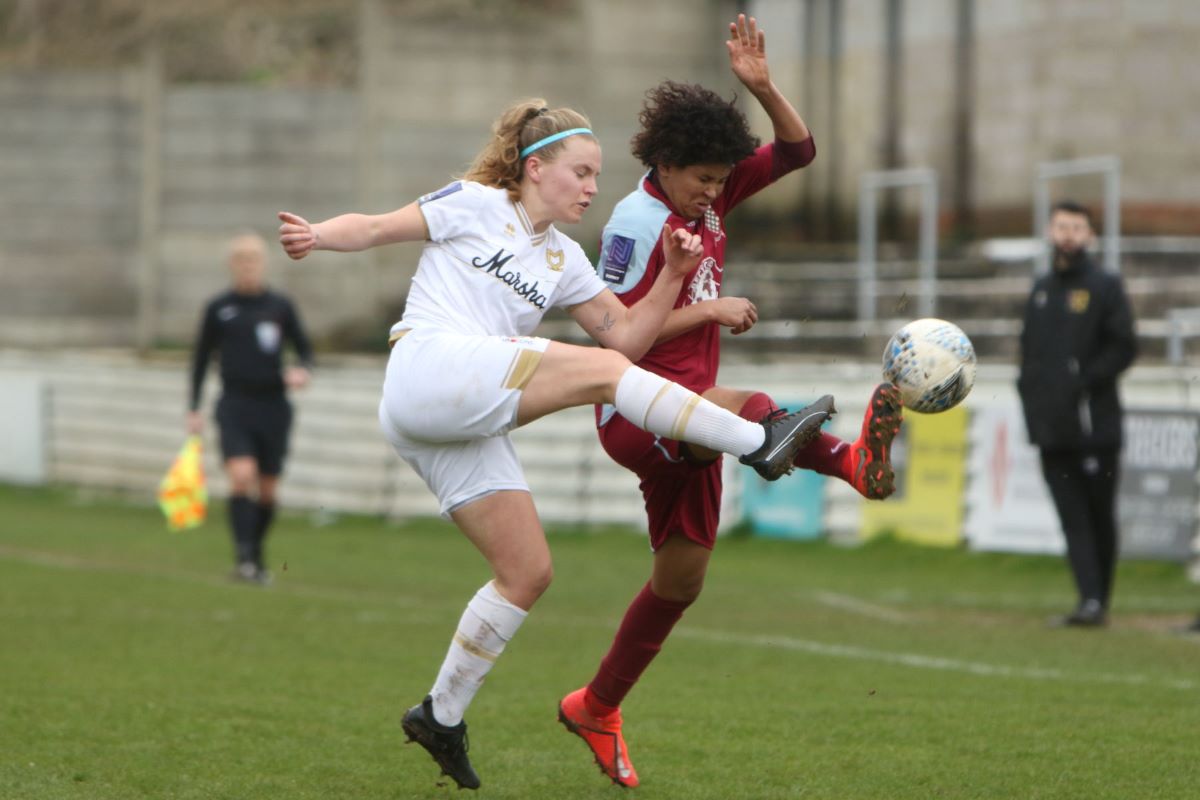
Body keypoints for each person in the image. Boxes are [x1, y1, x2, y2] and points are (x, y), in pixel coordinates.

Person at [276, 98, 837, 791]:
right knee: (607, 377)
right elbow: (375, 226)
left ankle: (440, 715)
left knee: (528, 573)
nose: (591, 188)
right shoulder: (476, 202)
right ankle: (757, 439)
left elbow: (626, 337)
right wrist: (317, 237)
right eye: (580, 172)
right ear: (535, 168)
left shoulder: (566, 258)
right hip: (430, 368)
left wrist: (667, 275)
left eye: (597, 176)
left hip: (458, 417)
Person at [555, 15, 904, 788]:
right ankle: (843, 460)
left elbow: (799, 150)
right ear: (668, 164)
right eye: (705, 180)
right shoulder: (633, 224)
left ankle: (595, 706)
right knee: (745, 407)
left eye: (722, 180)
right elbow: (618, 347)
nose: (717, 193)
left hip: (693, 417)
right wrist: (704, 307)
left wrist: (764, 88)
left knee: (681, 583)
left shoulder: (706, 197)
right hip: (635, 410)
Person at [1017, 200, 1137, 628]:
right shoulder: (1042, 289)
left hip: (1095, 428)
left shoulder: (1105, 286)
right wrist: (1034, 409)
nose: (1068, 234)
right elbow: (1028, 357)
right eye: (1062, 226)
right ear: (1051, 232)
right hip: (1052, 430)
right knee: (1071, 518)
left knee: (1098, 515)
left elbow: (1124, 346)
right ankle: (1089, 600)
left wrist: (1083, 382)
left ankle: (1097, 599)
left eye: (1077, 227)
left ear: (1089, 235)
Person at [188, 233, 313, 585]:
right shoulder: (219, 308)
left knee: (269, 489)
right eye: (241, 259)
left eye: (253, 259)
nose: (247, 266)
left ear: (263, 264)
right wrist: (193, 407)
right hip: (235, 404)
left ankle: (256, 557)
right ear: (232, 265)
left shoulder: (279, 307)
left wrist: (302, 371)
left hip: (274, 406)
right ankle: (244, 558)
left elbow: (305, 351)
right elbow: (199, 360)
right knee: (242, 476)